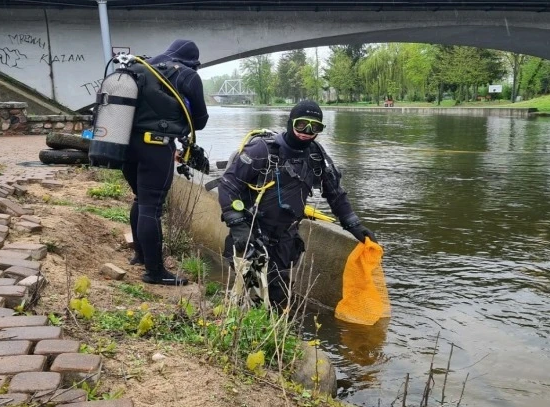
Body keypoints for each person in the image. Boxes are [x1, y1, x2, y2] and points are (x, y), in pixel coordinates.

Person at [218, 100, 376, 307]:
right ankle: (248, 329)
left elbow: (335, 193)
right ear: (290, 122)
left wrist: (354, 225)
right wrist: (238, 225)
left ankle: (272, 329)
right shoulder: (261, 150)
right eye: (301, 125)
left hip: (286, 236)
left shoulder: (316, 155)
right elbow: (228, 185)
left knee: (278, 292)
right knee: (253, 292)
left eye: (315, 127)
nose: (307, 132)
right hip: (253, 233)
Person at [122, 39, 208, 285]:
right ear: (193, 61)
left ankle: (140, 255)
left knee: (140, 199)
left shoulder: (141, 67)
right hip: (155, 146)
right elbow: (199, 121)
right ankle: (155, 272)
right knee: (152, 207)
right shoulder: (188, 76)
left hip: (124, 145)